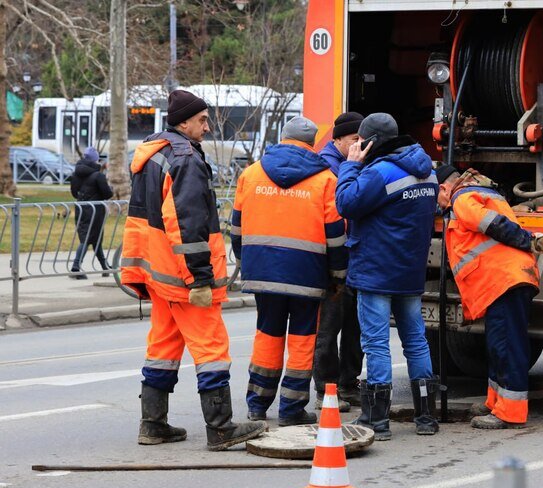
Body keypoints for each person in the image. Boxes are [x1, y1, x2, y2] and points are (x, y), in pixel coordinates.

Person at [121, 89, 266, 450]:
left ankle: (153, 424)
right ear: (183, 122)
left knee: (163, 346)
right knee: (211, 348)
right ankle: (220, 428)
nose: (207, 125)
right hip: (184, 276)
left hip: (158, 272)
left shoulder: (153, 154)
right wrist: (199, 277)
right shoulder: (184, 157)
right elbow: (186, 222)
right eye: (202, 119)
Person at [232, 116, 347, 427]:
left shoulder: (251, 174)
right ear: (311, 144)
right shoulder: (325, 180)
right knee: (301, 339)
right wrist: (337, 276)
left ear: (283, 138)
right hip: (307, 276)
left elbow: (236, 227)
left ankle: (257, 404)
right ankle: (292, 408)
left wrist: (246, 262)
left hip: (263, 272)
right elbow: (336, 236)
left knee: (267, 335)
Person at [335, 112, 439, 440]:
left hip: (377, 272)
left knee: (377, 344)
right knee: (416, 341)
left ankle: (377, 419)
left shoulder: (380, 172)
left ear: (371, 142)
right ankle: (426, 417)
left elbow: (346, 203)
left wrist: (351, 165)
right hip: (410, 271)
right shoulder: (428, 172)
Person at [436, 166, 543, 429]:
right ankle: (495, 402)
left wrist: (527, 240)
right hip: (503, 281)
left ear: (444, 188)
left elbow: (494, 225)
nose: (439, 206)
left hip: (505, 281)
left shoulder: (462, 199)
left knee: (507, 346)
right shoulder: (478, 193)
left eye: (437, 198)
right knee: (498, 345)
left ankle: (510, 412)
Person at [313, 111, 366, 410]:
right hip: (332, 259)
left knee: (353, 324)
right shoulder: (327, 169)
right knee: (329, 327)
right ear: (337, 140)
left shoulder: (351, 163)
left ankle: (348, 383)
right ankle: (327, 388)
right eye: (353, 140)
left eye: (363, 139)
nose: (359, 145)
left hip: (352, 256)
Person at [69, 147, 113, 279]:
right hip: (95, 210)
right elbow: (107, 194)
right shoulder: (98, 175)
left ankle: (105, 266)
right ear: (95, 159)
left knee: (95, 238)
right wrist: (110, 188)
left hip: (81, 208)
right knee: (88, 238)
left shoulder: (76, 173)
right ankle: (76, 267)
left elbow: (73, 193)